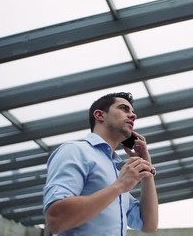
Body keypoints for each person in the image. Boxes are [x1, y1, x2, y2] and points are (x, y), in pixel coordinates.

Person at [43, 92, 158, 236]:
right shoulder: (75, 151)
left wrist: (147, 170)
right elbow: (56, 219)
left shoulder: (116, 170)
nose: (133, 116)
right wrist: (120, 186)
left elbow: (149, 224)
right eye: (124, 108)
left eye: (133, 112)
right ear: (99, 115)